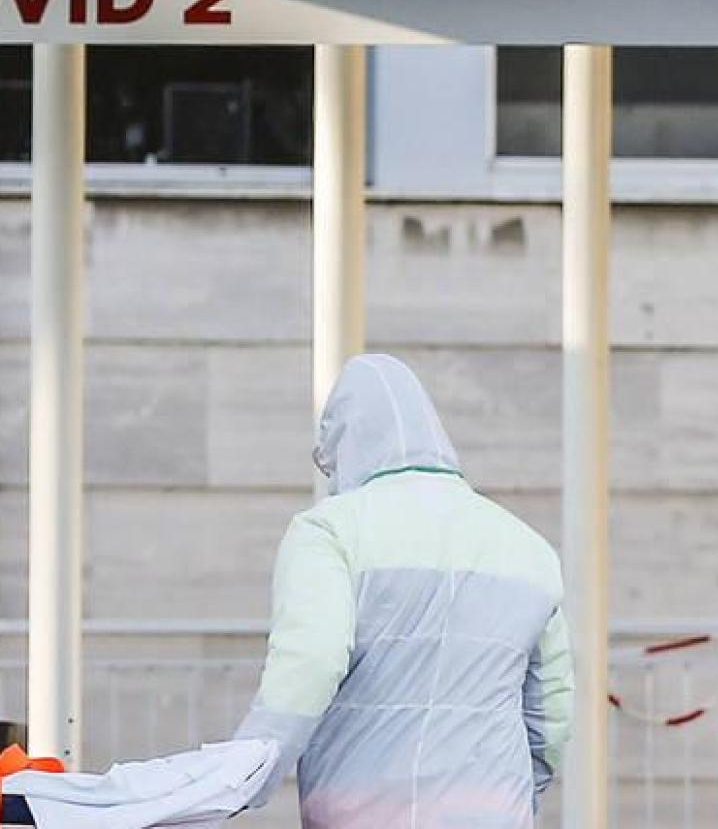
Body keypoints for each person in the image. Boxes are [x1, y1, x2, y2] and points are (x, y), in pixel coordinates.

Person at [232, 353, 575, 829]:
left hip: (362, 808)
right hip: (495, 809)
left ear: (342, 444)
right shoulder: (527, 546)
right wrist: (516, 791)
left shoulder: (330, 532)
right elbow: (551, 707)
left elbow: (309, 664)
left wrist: (237, 779)